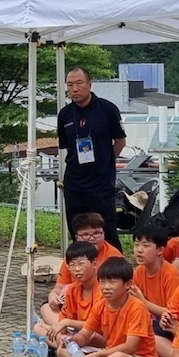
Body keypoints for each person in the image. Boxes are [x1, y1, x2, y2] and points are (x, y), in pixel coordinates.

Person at [42, 258, 157, 357]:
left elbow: (130, 347)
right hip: (109, 352)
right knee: (62, 350)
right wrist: (72, 341)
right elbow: (84, 335)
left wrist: (98, 355)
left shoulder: (137, 307)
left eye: (112, 282)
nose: (106, 287)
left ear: (127, 284)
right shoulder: (100, 305)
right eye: (102, 282)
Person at [58, 66, 126, 249]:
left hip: (100, 182)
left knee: (107, 231)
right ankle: (81, 264)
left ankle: (115, 265)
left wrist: (105, 162)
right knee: (77, 231)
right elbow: (67, 146)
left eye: (79, 83)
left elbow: (120, 141)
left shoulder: (107, 109)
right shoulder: (64, 114)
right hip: (75, 181)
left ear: (89, 84)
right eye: (70, 85)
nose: (75, 89)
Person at [41, 212, 122, 324]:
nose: (92, 238)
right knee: (45, 308)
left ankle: (63, 330)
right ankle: (64, 330)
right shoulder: (73, 256)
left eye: (97, 233)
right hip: (74, 304)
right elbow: (59, 287)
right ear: (77, 237)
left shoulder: (114, 257)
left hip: (102, 305)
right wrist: (53, 296)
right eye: (85, 234)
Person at [128, 223, 179, 339]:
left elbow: (172, 314)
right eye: (136, 245)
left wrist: (143, 302)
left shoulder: (171, 275)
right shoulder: (139, 271)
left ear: (160, 250)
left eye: (146, 246)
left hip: (168, 326)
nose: (139, 250)